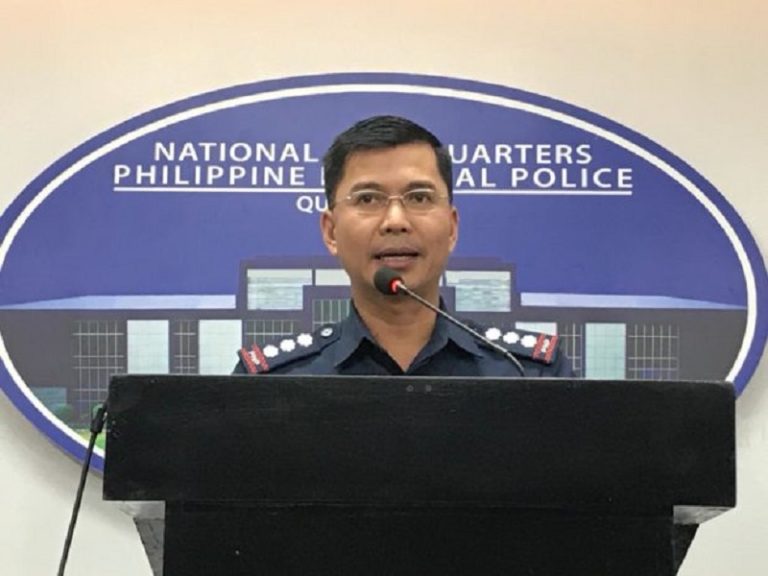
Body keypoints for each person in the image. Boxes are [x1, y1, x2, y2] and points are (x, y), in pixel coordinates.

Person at [235, 115, 571, 377]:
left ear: (452, 227)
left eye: (419, 198)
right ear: (331, 231)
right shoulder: (272, 381)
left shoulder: (527, 372)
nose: (395, 221)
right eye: (368, 199)